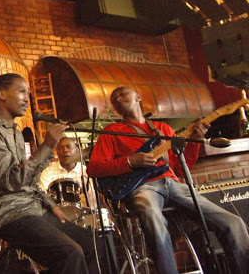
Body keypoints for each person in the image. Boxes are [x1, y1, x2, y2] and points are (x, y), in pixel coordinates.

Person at [87, 86, 249, 274]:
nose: (117, 98)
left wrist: (196, 137)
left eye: (122, 93)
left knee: (233, 223)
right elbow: (94, 168)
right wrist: (130, 161)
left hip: (173, 183)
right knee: (152, 218)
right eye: (114, 98)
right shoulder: (112, 132)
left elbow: (180, 167)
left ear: (138, 97)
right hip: (143, 188)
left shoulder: (163, 129)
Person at [0, 73, 103, 274]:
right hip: (7, 212)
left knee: (95, 245)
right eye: (22, 91)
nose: (27, 98)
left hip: (33, 208)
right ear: (1, 94)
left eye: (29, 93)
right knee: (70, 253)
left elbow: (29, 181)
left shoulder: (15, 132)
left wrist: (51, 206)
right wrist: (47, 145)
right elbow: (13, 182)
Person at [39, 137, 96, 209]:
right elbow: (42, 195)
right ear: (56, 152)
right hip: (56, 216)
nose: (65, 150)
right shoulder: (47, 172)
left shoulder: (86, 172)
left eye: (68, 147)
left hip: (84, 215)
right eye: (60, 148)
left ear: (77, 150)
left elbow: (93, 201)